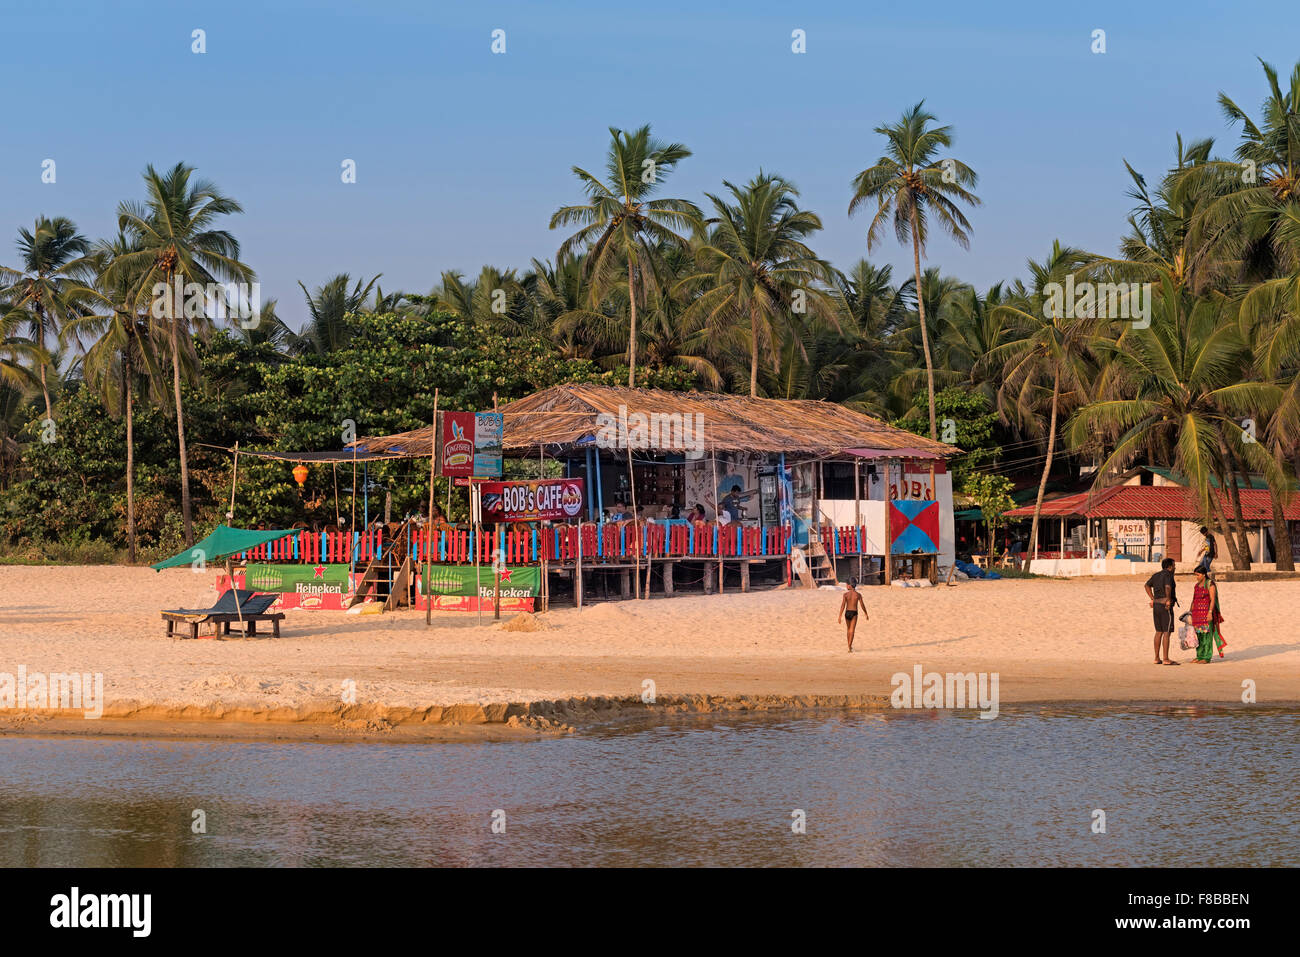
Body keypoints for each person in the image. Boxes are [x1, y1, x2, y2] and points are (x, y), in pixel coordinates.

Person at [1144, 557, 1179, 665]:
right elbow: (1168, 587)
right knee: (1166, 632)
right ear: (1169, 567)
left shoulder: (1156, 575)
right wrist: (1168, 600)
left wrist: (1152, 598)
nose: (1175, 567)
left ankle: (1156, 658)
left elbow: (1146, 585)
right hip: (1165, 606)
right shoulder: (1168, 575)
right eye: (1174, 565)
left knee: (1158, 631)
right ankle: (1165, 658)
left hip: (1156, 606)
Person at [1189, 568, 1226, 663]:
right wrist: (1190, 613)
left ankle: (1206, 657)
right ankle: (1200, 656)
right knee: (1198, 636)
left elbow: (1212, 599)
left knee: (1207, 636)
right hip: (1197, 615)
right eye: (1195, 575)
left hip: (1206, 614)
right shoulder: (1196, 586)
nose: (1196, 577)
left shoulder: (1210, 584)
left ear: (1204, 574)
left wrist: (1210, 612)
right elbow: (1194, 600)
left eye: (1198, 575)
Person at [837, 578, 867, 652]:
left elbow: (843, 605)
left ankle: (849, 645)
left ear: (850, 585)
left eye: (847, 585)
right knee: (852, 630)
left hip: (847, 613)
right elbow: (862, 605)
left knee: (848, 630)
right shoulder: (858, 595)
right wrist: (866, 613)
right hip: (854, 613)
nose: (846, 586)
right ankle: (850, 647)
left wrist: (840, 616)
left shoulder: (845, 595)